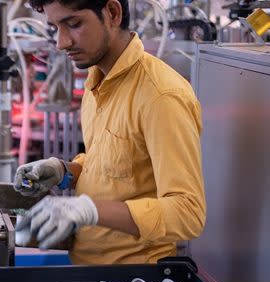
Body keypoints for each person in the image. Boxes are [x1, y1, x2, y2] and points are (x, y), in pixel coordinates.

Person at [14, 0, 206, 264]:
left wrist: (90, 210)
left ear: (112, 13)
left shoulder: (161, 96)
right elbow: (114, 165)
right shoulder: (97, 79)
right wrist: (64, 171)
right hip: (87, 267)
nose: (61, 42)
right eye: (55, 28)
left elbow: (187, 213)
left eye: (73, 24)